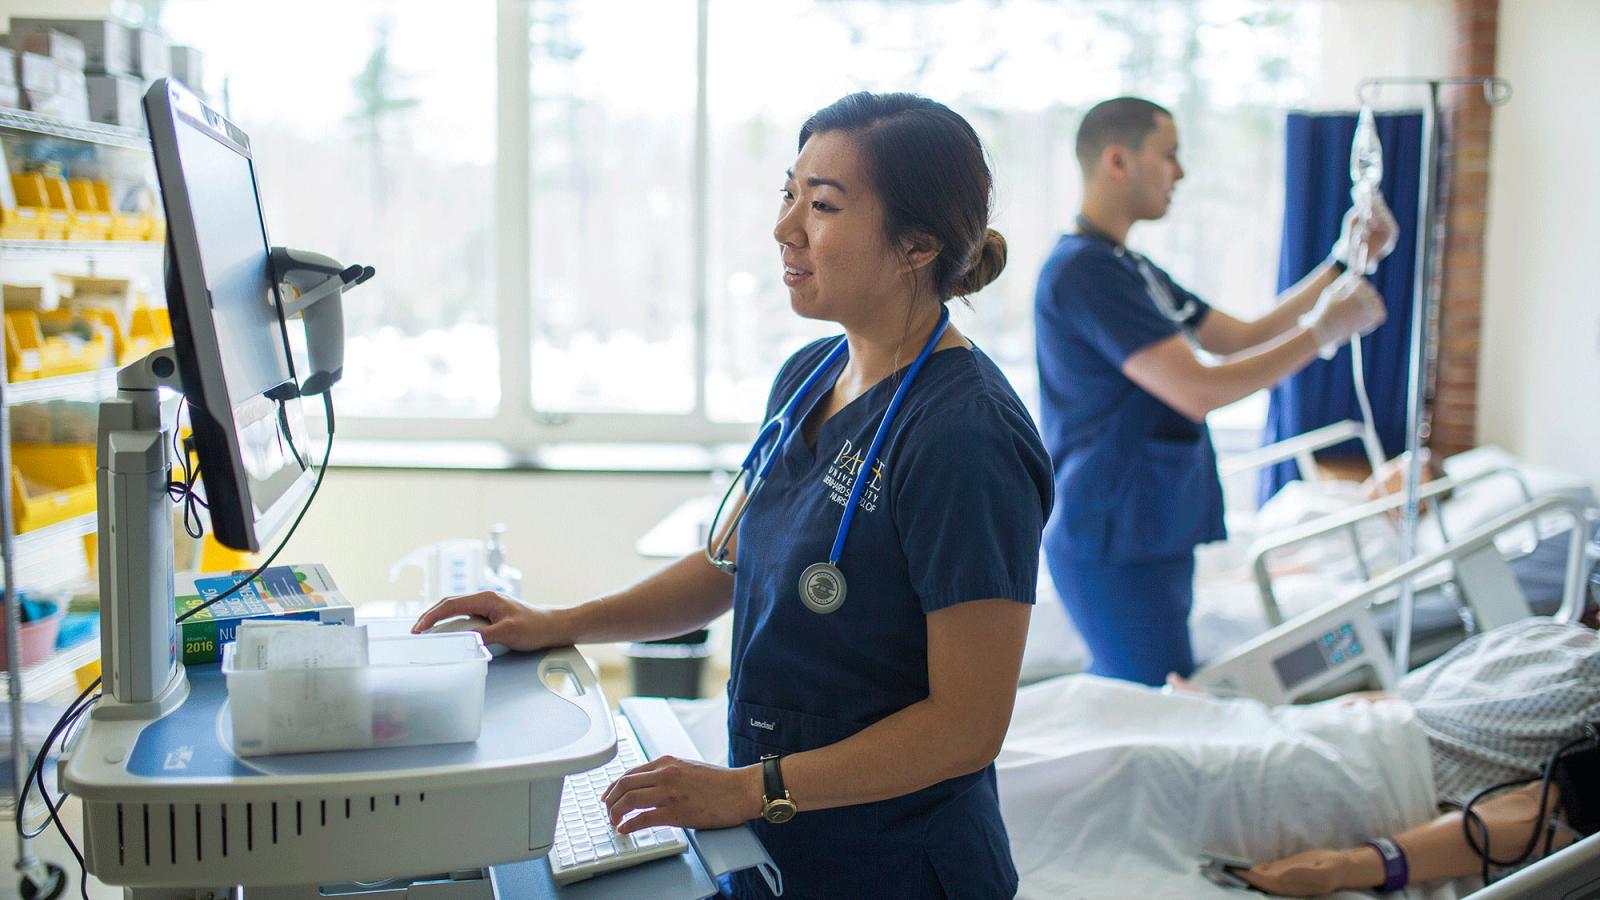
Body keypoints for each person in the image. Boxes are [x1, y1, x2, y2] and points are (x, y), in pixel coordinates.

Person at [416, 92, 1052, 898]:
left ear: (917, 244)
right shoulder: (810, 376)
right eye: (788, 195)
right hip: (779, 833)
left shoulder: (968, 438)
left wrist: (746, 789)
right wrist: (558, 623)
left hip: (896, 862)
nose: (786, 228)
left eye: (822, 205)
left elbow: (966, 728)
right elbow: (730, 565)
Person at [1033, 96, 1397, 686]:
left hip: (1147, 525)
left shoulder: (1129, 267)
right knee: (1153, 704)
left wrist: (1339, 263)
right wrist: (1324, 330)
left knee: (1157, 692)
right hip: (1112, 532)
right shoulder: (1083, 272)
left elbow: (1237, 338)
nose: (1181, 172)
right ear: (1118, 161)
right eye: (1170, 154)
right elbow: (1197, 389)